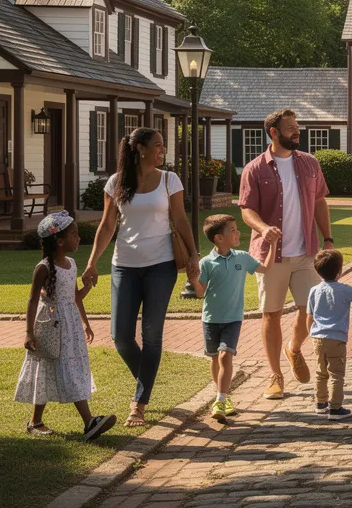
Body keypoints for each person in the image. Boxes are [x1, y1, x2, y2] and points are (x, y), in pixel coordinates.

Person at [84, 127, 198, 427]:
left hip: (161, 265)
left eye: (163, 145)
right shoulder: (117, 182)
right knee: (120, 335)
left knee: (151, 335)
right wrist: (93, 261)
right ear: (140, 149)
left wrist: (194, 254)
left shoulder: (169, 179)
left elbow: (181, 218)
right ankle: (146, 380)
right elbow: (108, 225)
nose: (163, 150)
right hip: (124, 265)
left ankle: (139, 402)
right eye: (158, 145)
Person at [239, 109, 335, 401]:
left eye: (297, 128)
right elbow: (245, 209)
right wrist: (263, 227)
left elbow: (319, 202)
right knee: (271, 314)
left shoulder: (310, 164)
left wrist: (328, 239)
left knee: (312, 310)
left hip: (306, 252)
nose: (297, 132)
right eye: (291, 128)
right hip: (271, 256)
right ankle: (275, 375)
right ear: (273, 132)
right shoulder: (255, 169)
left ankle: (293, 348)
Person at [17, 212, 116, 440]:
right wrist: (28, 332)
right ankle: (90, 422)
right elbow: (32, 300)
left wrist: (86, 321)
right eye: (74, 234)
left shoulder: (71, 264)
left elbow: (75, 297)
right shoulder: (43, 268)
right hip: (50, 325)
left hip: (70, 326)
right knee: (61, 370)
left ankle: (35, 422)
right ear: (59, 241)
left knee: (57, 369)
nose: (79, 238)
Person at [190, 214, 263, 422]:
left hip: (233, 318)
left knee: (224, 356)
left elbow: (264, 269)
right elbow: (200, 292)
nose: (237, 232)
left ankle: (220, 400)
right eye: (232, 230)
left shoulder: (243, 257)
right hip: (211, 319)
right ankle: (224, 397)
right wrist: (194, 280)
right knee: (215, 359)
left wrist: (272, 244)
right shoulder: (207, 262)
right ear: (218, 238)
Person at [305, 250, 352, 418]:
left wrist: (311, 334)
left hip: (317, 337)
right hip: (336, 338)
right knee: (336, 374)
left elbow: (309, 317)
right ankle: (335, 407)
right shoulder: (344, 290)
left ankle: (320, 403)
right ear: (339, 271)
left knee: (320, 372)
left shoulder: (314, 290)